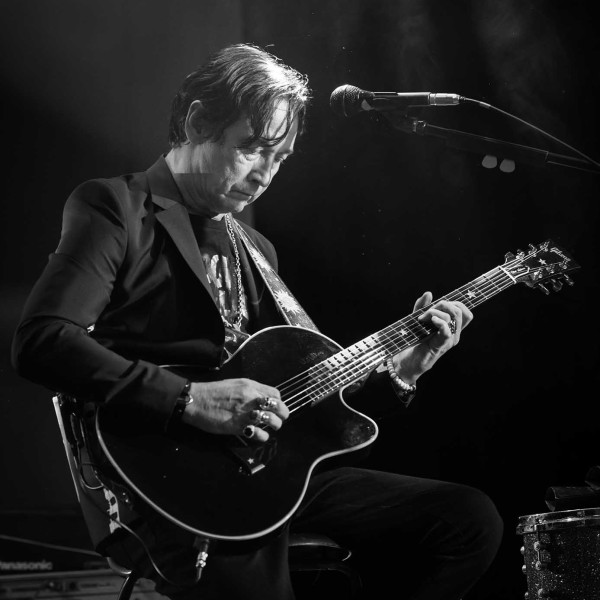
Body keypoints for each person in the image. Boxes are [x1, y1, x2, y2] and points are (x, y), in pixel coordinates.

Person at [12, 43, 503, 599]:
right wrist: (190, 399)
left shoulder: (257, 248)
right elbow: (43, 341)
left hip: (267, 474)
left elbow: (309, 402)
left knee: (467, 520)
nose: (266, 174)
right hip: (174, 483)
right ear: (199, 122)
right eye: (253, 148)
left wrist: (403, 372)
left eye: (281, 157)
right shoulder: (118, 208)